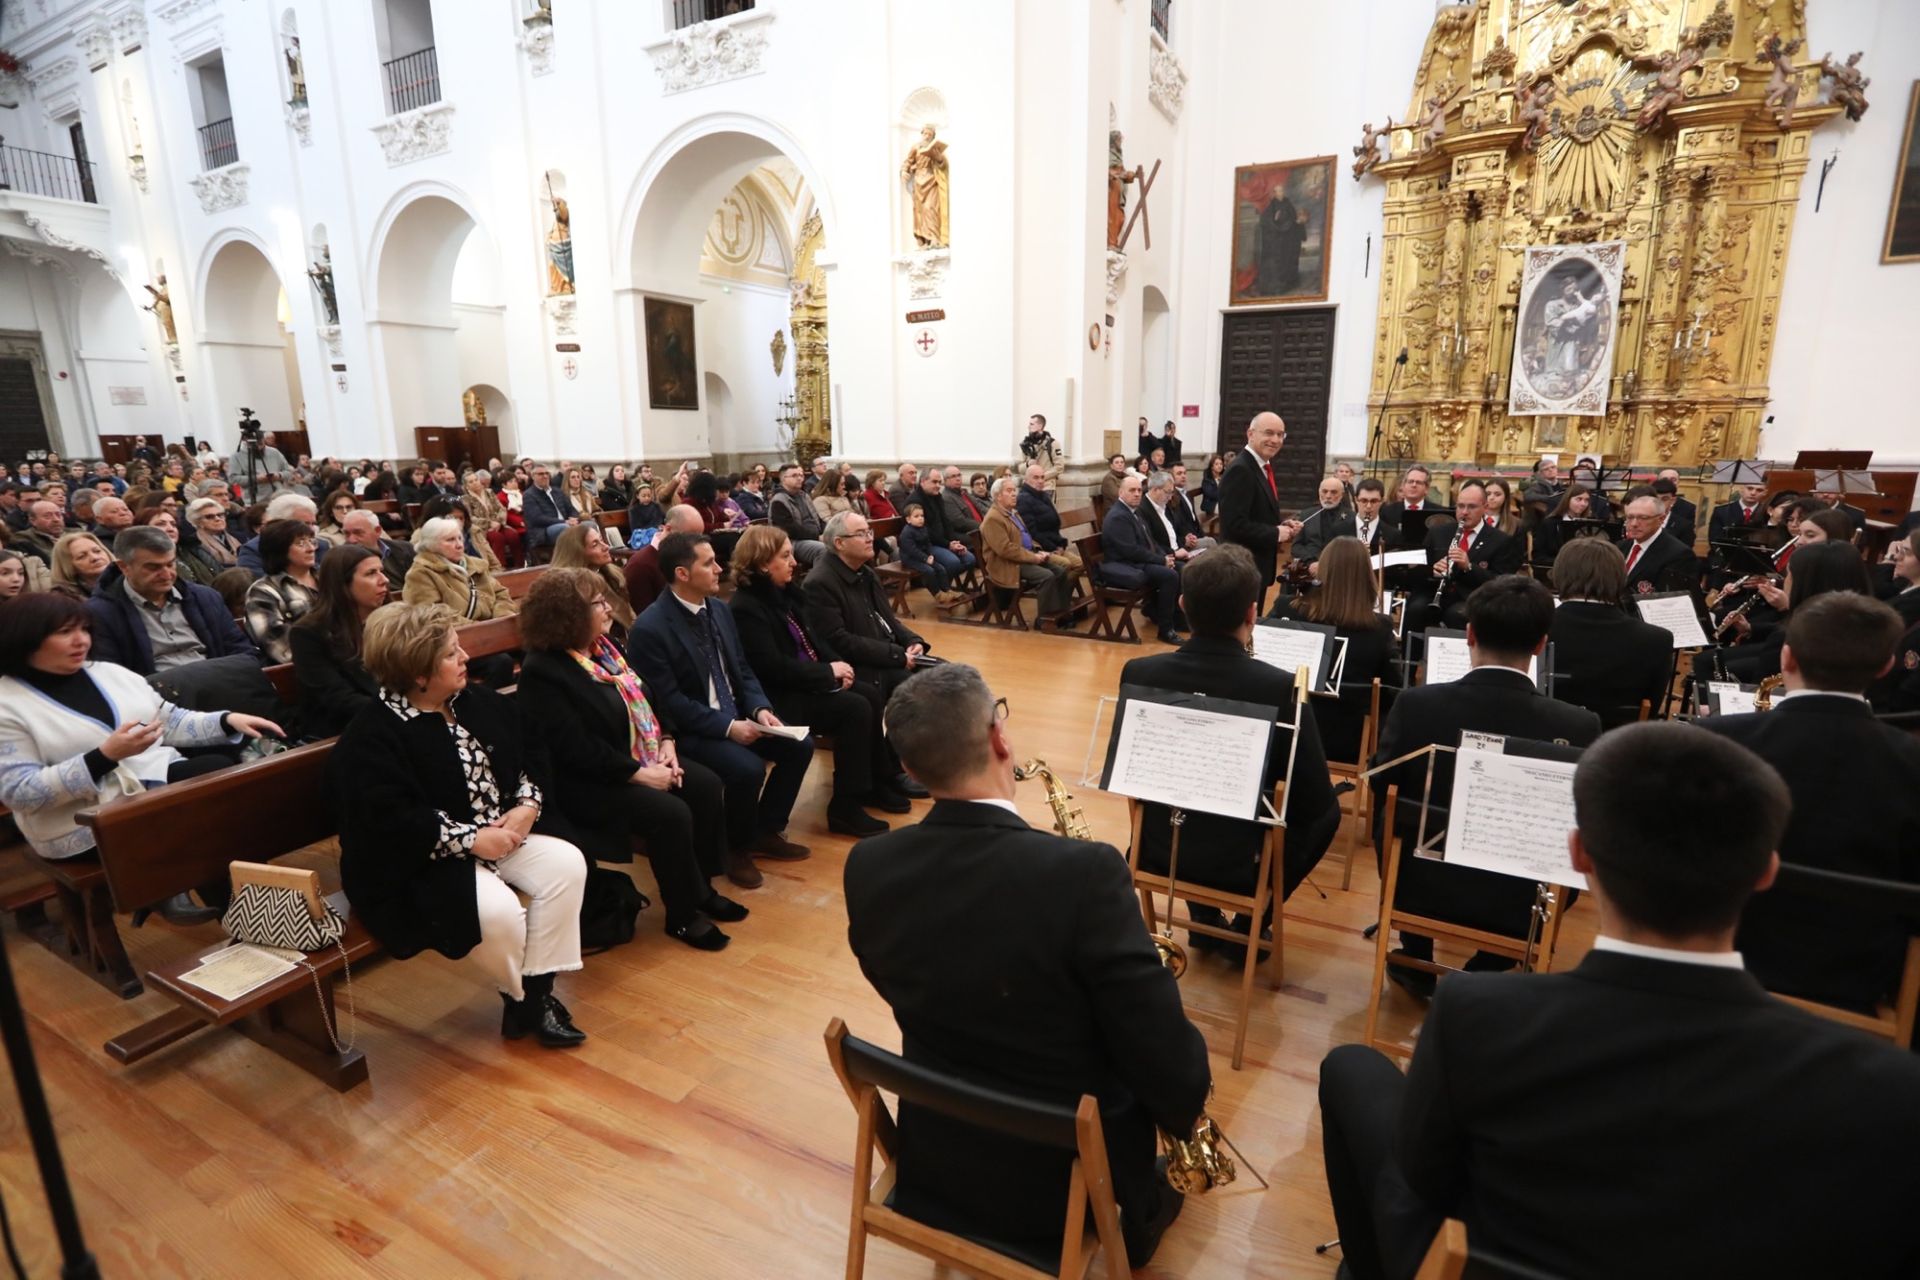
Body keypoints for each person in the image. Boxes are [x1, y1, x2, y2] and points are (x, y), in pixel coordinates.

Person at [1320, 721, 1920, 1280]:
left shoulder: (1475, 1013)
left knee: (1353, 1068)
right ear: (1766, 872)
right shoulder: (1889, 1085)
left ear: (1578, 855)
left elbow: (1421, 1188)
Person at [845, 663, 1211, 1269]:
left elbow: (898, 983)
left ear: (909, 770)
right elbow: (1175, 1075)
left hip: (937, 1155)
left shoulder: (868, 865)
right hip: (1065, 1180)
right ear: (998, 739)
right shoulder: (1087, 875)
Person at [333, 605, 588, 1048]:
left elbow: (532, 751)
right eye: (451, 654)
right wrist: (472, 839)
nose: (466, 657)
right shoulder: (372, 736)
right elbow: (389, 821)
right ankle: (525, 997)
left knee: (566, 864)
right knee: (498, 912)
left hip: (501, 833)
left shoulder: (473, 701)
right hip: (424, 859)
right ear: (418, 673)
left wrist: (527, 804)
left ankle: (535, 994)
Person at [1371, 576, 1601, 992]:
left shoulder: (1417, 704)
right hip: (1520, 901)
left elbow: (1381, 779)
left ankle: (1416, 950)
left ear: (1469, 634)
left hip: (1421, 886)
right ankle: (1493, 961)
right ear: (1539, 645)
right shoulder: (1579, 724)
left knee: (1395, 809)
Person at [1697, 592, 1920, 1017]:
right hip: (1854, 978)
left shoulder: (1716, 742)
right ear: (1886, 666)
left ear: (1787, 658)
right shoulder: (1911, 765)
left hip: (1717, 953)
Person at [0, 588, 278, 926]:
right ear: (27, 638)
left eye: (84, 629)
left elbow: (169, 720)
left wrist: (225, 720)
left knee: (217, 776)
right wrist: (104, 756)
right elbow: (21, 793)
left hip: (145, 789)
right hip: (79, 819)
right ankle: (245, 913)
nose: (81, 640)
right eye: (65, 632)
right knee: (207, 819)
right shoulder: (7, 706)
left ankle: (237, 905)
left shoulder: (107, 673)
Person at [1123, 545, 1340, 953]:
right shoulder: (1279, 687)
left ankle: (1203, 916)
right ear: (1252, 613)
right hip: (1239, 864)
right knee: (1325, 813)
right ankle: (1252, 918)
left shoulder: (1139, 671)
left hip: (1158, 849)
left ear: (1184, 605)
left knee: (1183, 786)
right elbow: (1313, 799)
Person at [517, 570, 747, 951]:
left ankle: (700, 888)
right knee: (669, 814)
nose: (608, 607)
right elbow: (575, 749)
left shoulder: (606, 649)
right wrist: (639, 775)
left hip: (637, 760)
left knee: (705, 786)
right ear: (568, 614)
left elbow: (652, 700)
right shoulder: (543, 671)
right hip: (586, 782)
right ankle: (683, 916)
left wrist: (668, 741)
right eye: (597, 603)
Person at [627, 533, 816, 879]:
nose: (719, 569)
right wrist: (729, 728)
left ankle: (765, 829)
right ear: (683, 574)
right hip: (691, 729)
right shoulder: (650, 628)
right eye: (708, 562)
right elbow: (669, 703)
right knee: (747, 768)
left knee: (800, 745)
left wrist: (759, 709)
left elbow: (741, 669)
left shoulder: (718, 609)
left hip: (737, 714)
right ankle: (736, 847)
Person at [729, 526, 909, 835]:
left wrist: (837, 666)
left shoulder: (785, 594)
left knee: (869, 693)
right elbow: (772, 667)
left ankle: (875, 781)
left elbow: (814, 640)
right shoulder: (747, 606)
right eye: (785, 556)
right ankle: (845, 806)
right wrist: (827, 674)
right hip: (778, 697)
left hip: (805, 682)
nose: (794, 562)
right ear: (761, 563)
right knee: (855, 708)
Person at [1267, 537, 1399, 762]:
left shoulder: (1287, 608)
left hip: (1287, 729)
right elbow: (1390, 691)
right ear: (1366, 576)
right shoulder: (1380, 628)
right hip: (1348, 740)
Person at [805, 512, 935, 716]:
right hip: (864, 667)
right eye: (860, 533)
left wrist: (911, 640)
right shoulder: (820, 583)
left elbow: (888, 620)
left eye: (869, 531)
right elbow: (840, 641)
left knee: (951, 675)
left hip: (888, 655)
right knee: (927, 692)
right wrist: (896, 656)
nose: (869, 538)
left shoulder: (866, 573)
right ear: (839, 543)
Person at [84, 527, 258, 675]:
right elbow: (112, 675)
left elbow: (241, 650)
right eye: (153, 567)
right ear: (124, 567)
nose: (167, 574)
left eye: (170, 564)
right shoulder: (99, 613)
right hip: (156, 698)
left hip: (218, 682)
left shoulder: (206, 598)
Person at [1548, 539, 1673, 726]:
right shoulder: (1657, 639)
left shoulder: (1534, 627)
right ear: (1621, 578)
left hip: (1543, 737)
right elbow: (1650, 710)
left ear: (1559, 575)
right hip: (1616, 745)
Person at [1722, 541, 1871, 683]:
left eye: (1788, 576)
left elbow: (1761, 695)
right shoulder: (1869, 628)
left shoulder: (1792, 636)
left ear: (1807, 582)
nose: (1785, 581)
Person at [289, 544, 386, 739]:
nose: (384, 580)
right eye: (371, 573)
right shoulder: (308, 633)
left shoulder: (392, 617)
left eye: (382, 571)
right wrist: (404, 709)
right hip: (345, 728)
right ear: (342, 584)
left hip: (392, 715)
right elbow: (337, 698)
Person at [1218, 412, 1303, 609]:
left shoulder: (1260, 466)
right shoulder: (1241, 469)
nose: (1275, 440)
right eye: (1269, 433)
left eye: (1280, 434)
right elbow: (1234, 525)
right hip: (1242, 567)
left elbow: (1254, 514)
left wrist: (1282, 526)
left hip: (1256, 566)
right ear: (1251, 434)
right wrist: (1275, 533)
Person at [1422, 481, 1522, 629]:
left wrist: (1469, 567)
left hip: (1473, 597)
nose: (1464, 512)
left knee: (1457, 615)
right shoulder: (1438, 533)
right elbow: (1420, 567)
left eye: (1472, 507)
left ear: (1485, 508)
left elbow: (1501, 582)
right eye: (1461, 506)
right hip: (1435, 592)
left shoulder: (1501, 540)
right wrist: (1433, 570)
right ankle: (1413, 652)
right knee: (1416, 610)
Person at [1101, 473, 1185, 642]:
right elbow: (1130, 551)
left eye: (1139, 490)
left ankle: (1177, 618)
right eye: (1132, 490)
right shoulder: (1118, 516)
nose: (1137, 494)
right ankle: (1165, 629)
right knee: (1169, 576)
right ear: (1121, 493)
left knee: (1182, 568)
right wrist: (1161, 561)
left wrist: (1166, 556)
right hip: (1126, 565)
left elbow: (1150, 542)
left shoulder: (1133, 512)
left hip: (1137, 561)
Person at [981, 475, 1073, 621]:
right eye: (1009, 491)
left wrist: (1038, 550)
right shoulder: (993, 519)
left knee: (1060, 571)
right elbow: (1006, 550)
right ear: (998, 496)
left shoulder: (1013, 512)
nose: (1014, 494)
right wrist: (1033, 557)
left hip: (1025, 556)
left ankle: (1061, 614)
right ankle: (1044, 620)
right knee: (1046, 576)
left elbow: (1026, 537)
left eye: (1014, 490)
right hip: (1008, 564)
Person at [402, 516, 517, 622]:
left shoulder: (476, 565)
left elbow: (500, 593)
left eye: (459, 538)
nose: (459, 545)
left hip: (494, 629)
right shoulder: (420, 574)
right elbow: (434, 618)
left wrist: (502, 616)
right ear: (431, 545)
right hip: (459, 638)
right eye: (450, 540)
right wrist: (480, 629)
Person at [243, 520, 322, 665]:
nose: (311, 548)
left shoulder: (329, 578)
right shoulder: (263, 592)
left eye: (312, 541)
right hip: (309, 669)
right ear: (279, 549)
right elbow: (283, 649)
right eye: (301, 543)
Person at [550, 522, 633, 639]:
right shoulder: (571, 591)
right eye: (595, 545)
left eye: (601, 540)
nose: (606, 546)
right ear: (577, 554)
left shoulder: (613, 575)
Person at [624, 504, 703, 615]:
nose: (696, 543)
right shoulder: (640, 565)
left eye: (699, 537)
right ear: (668, 529)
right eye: (689, 536)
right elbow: (644, 616)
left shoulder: (689, 556)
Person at [1618, 492, 1695, 598]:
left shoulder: (1678, 554)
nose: (1634, 524)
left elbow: (1669, 599)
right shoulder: (1620, 547)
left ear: (1661, 519)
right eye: (1630, 517)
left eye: (1643, 518)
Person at [237, 493, 329, 577]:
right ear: (279, 523)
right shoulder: (253, 550)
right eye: (304, 524)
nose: (311, 529)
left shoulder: (320, 546)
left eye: (313, 523)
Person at [896, 502, 966, 606]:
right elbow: (911, 550)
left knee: (941, 568)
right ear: (908, 519)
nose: (920, 518)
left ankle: (946, 590)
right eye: (916, 516)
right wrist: (925, 558)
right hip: (910, 558)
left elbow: (927, 543)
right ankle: (937, 594)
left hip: (924, 556)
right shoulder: (907, 533)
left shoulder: (923, 529)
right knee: (929, 570)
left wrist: (930, 554)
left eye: (922, 516)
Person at [340, 509, 415, 596]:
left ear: (378, 531)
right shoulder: (339, 559)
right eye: (346, 534)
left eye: (358, 533)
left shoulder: (405, 549)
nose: (351, 540)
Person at [1289, 476, 1357, 571]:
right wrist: (1311, 562)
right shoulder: (1307, 514)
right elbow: (1296, 546)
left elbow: (1352, 550)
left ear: (1342, 495)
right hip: (1308, 566)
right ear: (1319, 492)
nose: (1328, 496)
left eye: (1333, 492)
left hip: (1337, 569)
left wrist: (1326, 565)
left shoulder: (1352, 517)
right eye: (1324, 491)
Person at [768, 463, 827, 566]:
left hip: (814, 537)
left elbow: (817, 518)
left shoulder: (804, 496)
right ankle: (819, 581)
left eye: (801, 475)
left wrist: (827, 532)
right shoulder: (779, 500)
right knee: (824, 550)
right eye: (795, 476)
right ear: (783, 479)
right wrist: (817, 537)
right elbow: (790, 530)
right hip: (794, 542)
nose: (799, 478)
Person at [1530, 482, 1598, 571]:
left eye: (1586, 500)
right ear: (1567, 500)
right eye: (1579, 499)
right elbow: (1538, 556)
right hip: (1556, 571)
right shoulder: (1549, 523)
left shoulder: (1591, 523)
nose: (1583, 504)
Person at [464, 470, 521, 570]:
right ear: (466, 486)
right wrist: (489, 523)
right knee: (497, 538)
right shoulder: (465, 499)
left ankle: (520, 565)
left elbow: (501, 509)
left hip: (498, 524)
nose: (475, 483)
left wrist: (498, 522)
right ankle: (499, 568)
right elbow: (470, 518)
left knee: (513, 535)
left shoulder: (489, 492)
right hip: (482, 529)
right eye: (471, 481)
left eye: (476, 480)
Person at [1015, 463, 1075, 555]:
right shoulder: (1023, 499)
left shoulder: (1044, 496)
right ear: (1026, 480)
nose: (1040, 481)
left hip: (1056, 546)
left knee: (1082, 563)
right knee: (1068, 564)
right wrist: (1053, 548)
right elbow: (1032, 532)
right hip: (1042, 550)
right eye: (1036, 477)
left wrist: (1061, 545)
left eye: (1042, 477)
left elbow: (1055, 524)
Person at [522, 464, 580, 552]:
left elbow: (571, 509)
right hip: (544, 531)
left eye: (547, 473)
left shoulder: (557, 491)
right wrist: (564, 521)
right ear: (533, 476)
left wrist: (574, 518)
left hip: (566, 523)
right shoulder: (529, 495)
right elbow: (537, 519)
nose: (545, 476)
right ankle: (574, 559)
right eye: (541, 474)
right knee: (564, 528)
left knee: (589, 524)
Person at [1018, 412, 1063, 487]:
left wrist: (1040, 477)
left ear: (1040, 426)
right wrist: (1027, 464)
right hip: (1029, 488)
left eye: (1031, 424)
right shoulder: (1026, 444)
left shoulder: (1052, 443)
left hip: (1046, 486)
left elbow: (1059, 467)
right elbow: (1020, 468)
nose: (1028, 426)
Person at [939, 465, 984, 536]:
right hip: (969, 536)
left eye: (959, 475)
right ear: (945, 480)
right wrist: (984, 526)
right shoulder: (946, 498)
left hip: (982, 529)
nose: (958, 479)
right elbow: (960, 522)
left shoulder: (964, 493)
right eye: (953, 476)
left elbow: (981, 508)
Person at [1200, 453, 1227, 518]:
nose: (1219, 466)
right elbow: (1212, 494)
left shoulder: (1224, 476)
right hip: (1211, 504)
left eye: (1221, 464)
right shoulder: (1207, 478)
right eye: (1217, 464)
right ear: (1212, 466)